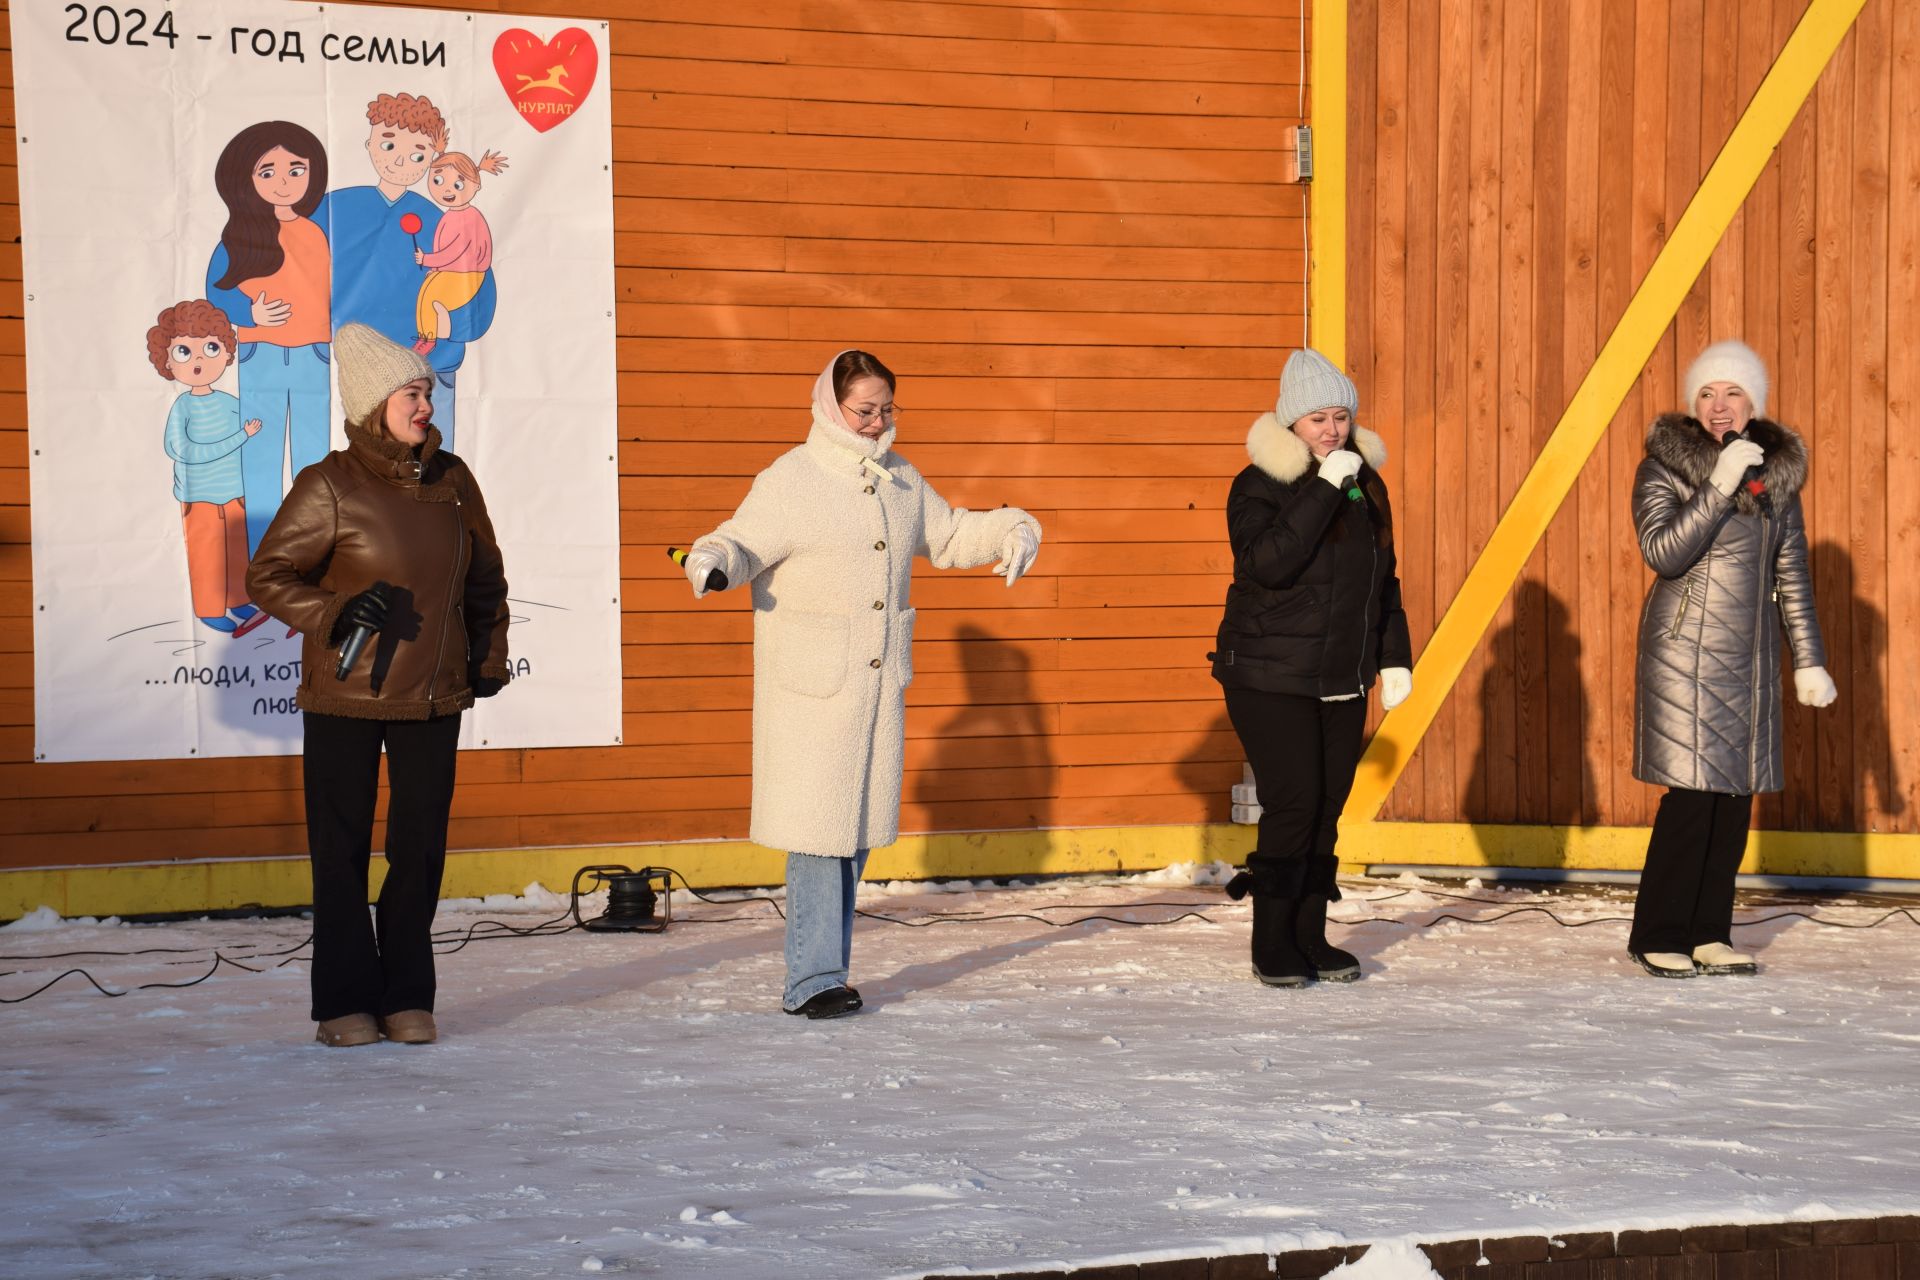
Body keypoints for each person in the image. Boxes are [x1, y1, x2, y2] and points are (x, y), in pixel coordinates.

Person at [683, 350, 1042, 1019]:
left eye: (887, 408)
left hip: (875, 693)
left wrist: (1013, 526)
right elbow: (742, 543)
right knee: (819, 837)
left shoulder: (900, 479)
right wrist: (713, 561)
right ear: (830, 407)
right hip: (813, 693)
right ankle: (812, 980)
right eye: (864, 410)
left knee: (852, 838)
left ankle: (827, 971)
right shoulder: (793, 478)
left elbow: (953, 533)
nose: (878, 422)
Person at [246, 323, 511, 1046]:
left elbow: (485, 578)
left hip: (433, 693)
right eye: (410, 393)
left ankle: (406, 996)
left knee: (419, 850)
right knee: (341, 850)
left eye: (427, 391)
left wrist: (487, 657)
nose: (425, 405)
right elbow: (267, 576)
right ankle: (342, 1004)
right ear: (372, 404)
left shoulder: (453, 480)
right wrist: (332, 610)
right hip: (346, 693)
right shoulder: (329, 484)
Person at [1627, 340, 1835, 978]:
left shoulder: (1773, 478)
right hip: (1683, 653)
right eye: (1708, 394)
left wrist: (1808, 659)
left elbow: (1791, 571)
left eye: (1733, 393)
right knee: (1691, 796)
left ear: (1754, 405)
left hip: (1749, 658)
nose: (1720, 406)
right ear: (1694, 405)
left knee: (1734, 796)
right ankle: (1658, 932)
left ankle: (1708, 931)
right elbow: (1664, 553)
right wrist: (1716, 486)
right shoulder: (1665, 467)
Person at [1209, 348, 1412, 988]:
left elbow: (1384, 580)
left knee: (1326, 807)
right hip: (1268, 675)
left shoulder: (1365, 484)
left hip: (1340, 678)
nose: (1331, 429)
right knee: (1293, 805)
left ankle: (1309, 936)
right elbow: (1268, 564)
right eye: (1317, 418)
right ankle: (1272, 941)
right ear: (1291, 423)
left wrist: (1393, 654)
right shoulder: (1258, 484)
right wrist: (1324, 487)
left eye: (1341, 417)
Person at [318, 92, 499, 452]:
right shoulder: (335, 209)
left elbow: (480, 284)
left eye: (417, 153)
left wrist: (453, 327)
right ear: (369, 143)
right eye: (388, 145)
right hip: (361, 381)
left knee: (433, 474)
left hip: (431, 370)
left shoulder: (445, 219)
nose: (401, 160)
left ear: (432, 157)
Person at [204, 120, 332, 556]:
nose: (283, 182)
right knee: (259, 456)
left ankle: (312, 557)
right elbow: (215, 292)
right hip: (261, 354)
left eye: (296, 169)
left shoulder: (318, 232)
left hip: (314, 353)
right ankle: (263, 559)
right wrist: (248, 313)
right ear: (244, 179)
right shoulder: (240, 235)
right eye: (267, 171)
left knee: (312, 462)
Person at [145, 299, 265, 634]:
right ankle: (210, 609)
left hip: (234, 494)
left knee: (237, 552)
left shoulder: (230, 404)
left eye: (210, 347)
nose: (199, 360)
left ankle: (240, 600)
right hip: (200, 497)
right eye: (184, 351)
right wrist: (239, 438)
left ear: (227, 353)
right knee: (208, 556)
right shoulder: (183, 407)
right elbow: (180, 449)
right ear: (166, 361)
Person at [410, 149, 508, 355]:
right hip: (451, 272)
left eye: (458, 185)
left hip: (469, 274)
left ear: (476, 185)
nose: (447, 190)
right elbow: (443, 247)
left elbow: (454, 251)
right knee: (424, 293)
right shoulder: (450, 216)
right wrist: (435, 267)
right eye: (437, 181)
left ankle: (428, 339)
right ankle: (425, 336)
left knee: (430, 296)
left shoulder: (469, 217)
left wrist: (427, 259)